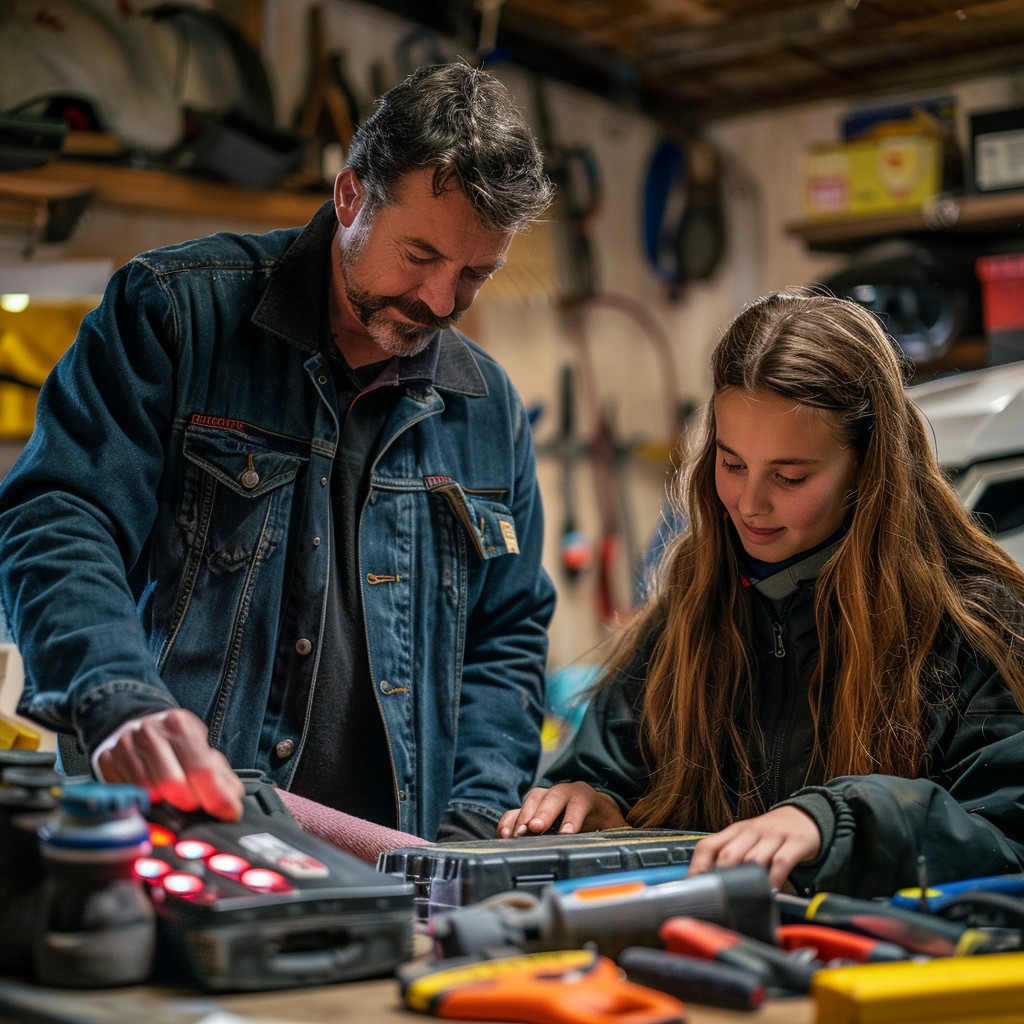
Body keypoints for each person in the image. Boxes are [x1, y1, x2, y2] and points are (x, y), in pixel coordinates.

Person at [0, 62, 557, 842]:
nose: (439, 301)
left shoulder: (487, 408)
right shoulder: (175, 315)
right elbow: (60, 517)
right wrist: (114, 695)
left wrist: (469, 825)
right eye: (420, 256)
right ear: (351, 196)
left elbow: (506, 637)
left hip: (395, 869)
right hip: (177, 833)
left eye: (474, 274)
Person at [498, 288, 1024, 898]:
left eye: (790, 475)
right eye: (731, 463)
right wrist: (591, 804)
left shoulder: (979, 625)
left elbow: (1007, 835)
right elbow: (610, 772)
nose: (751, 504)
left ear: (869, 466)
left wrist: (841, 821)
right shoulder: (689, 616)